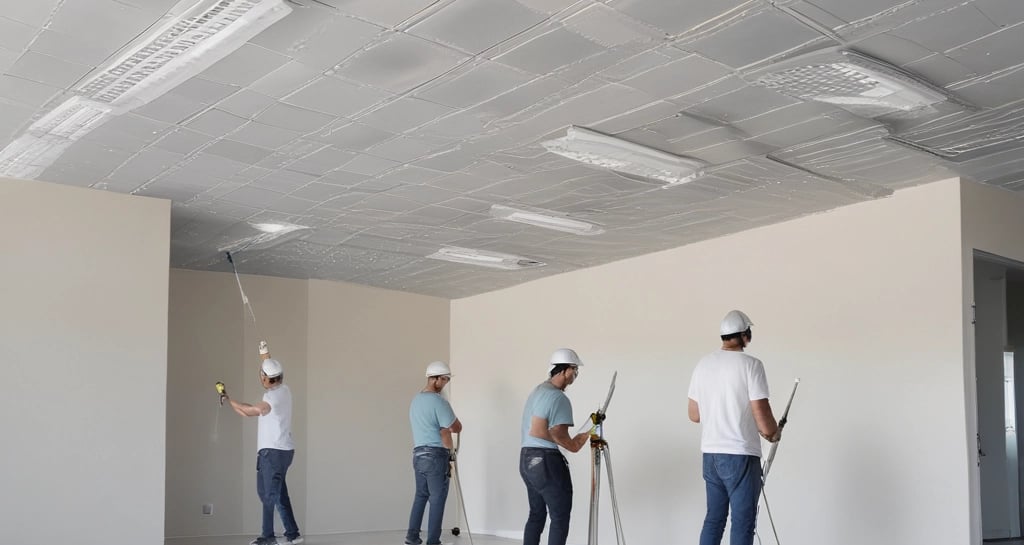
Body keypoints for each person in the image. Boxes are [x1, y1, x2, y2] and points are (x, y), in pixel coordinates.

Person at [687, 310, 780, 545]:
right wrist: (772, 432)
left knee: (714, 520)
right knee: (743, 521)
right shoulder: (752, 365)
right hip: (740, 456)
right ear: (744, 335)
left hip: (711, 455)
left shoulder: (703, 364)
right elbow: (762, 412)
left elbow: (694, 414)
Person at [223, 341, 303, 545]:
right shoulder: (285, 389)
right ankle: (292, 534)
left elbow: (248, 411)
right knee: (278, 493)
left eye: (262, 375)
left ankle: (268, 537)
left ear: (265, 379)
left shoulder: (271, 398)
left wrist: (227, 398)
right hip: (285, 451)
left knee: (267, 494)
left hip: (272, 453)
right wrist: (264, 353)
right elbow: (269, 368)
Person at [519, 348, 592, 545]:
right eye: (575, 370)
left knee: (536, 515)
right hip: (545, 462)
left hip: (526, 459)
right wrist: (577, 442)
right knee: (559, 518)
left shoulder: (538, 390)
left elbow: (535, 429)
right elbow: (552, 432)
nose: (575, 375)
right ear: (566, 370)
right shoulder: (559, 398)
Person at [406, 361, 463, 545]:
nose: (446, 383)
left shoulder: (415, 400)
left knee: (421, 496)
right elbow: (454, 427)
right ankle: (433, 541)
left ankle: (412, 537)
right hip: (435, 456)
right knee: (437, 499)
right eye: (445, 379)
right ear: (436, 379)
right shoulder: (438, 402)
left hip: (418, 454)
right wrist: (450, 452)